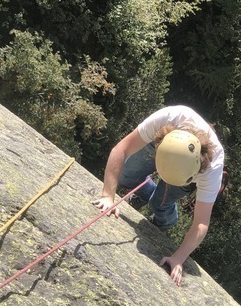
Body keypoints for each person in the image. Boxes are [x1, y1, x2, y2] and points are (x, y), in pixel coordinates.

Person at [92, 106, 225, 287]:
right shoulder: (166, 119)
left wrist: (178, 258)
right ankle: (145, 192)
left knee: (159, 204)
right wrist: (108, 196)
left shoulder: (212, 167)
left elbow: (201, 222)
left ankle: (166, 218)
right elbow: (121, 150)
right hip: (163, 144)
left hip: (186, 174)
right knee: (125, 178)